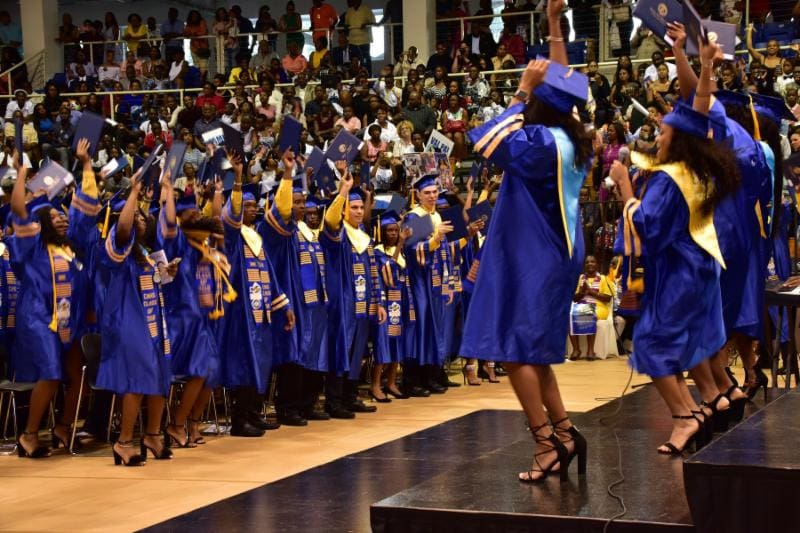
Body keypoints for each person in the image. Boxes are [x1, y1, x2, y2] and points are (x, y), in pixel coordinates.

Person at [461, 0, 589, 482]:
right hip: (552, 252)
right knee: (533, 350)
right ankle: (564, 431)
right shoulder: (570, 139)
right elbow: (564, 82)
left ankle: (544, 443)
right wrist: (554, 22)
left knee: (514, 350)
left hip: (536, 256)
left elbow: (485, 140)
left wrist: (519, 90)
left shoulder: (537, 144)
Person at [11, 139, 99, 458]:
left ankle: (64, 426)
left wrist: (86, 164)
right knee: (51, 373)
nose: (62, 219)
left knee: (79, 376)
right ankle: (29, 434)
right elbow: (20, 211)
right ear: (42, 223)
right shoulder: (32, 248)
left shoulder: (71, 248)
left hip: (69, 322)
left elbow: (86, 209)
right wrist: (22, 175)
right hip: (39, 319)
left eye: (64, 215)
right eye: (55, 216)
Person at [97, 173, 173, 466]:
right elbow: (124, 226)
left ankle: (153, 434)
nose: (142, 219)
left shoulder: (146, 252)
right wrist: (135, 192)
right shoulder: (120, 248)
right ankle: (124, 441)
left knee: (161, 376)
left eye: (144, 215)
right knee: (137, 380)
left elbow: (161, 280)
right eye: (138, 215)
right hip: (129, 322)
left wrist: (170, 272)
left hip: (155, 321)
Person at [220, 155, 295, 437]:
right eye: (246, 206)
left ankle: (253, 412)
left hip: (262, 312)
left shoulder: (258, 237)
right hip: (241, 313)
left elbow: (270, 274)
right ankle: (240, 420)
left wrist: (283, 304)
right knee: (244, 363)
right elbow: (231, 216)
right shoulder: (233, 238)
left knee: (261, 362)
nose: (250, 210)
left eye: (254, 206)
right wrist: (238, 180)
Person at [262, 153, 332, 425]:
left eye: (304, 202)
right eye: (298, 202)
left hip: (311, 303)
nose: (302, 207)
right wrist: (289, 174)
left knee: (309, 352)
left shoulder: (303, 232)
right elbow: (281, 210)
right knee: (291, 354)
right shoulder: (277, 231)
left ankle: (304, 403)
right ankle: (288, 407)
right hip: (288, 301)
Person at [320, 164, 387, 418]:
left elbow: (373, 272)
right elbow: (330, 220)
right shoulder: (339, 234)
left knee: (358, 349)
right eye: (354, 207)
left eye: (361, 208)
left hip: (363, 303)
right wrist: (343, 192)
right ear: (345, 210)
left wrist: (378, 302)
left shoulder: (364, 236)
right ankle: (334, 401)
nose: (359, 211)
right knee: (342, 347)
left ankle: (350, 395)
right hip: (343, 302)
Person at [372, 212, 414, 401]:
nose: (393, 233)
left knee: (398, 342)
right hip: (386, 301)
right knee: (383, 343)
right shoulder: (378, 251)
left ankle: (391, 383)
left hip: (400, 300)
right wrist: (400, 244)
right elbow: (389, 270)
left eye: (396, 230)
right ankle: (375, 385)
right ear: (382, 231)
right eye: (389, 230)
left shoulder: (402, 251)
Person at [569, 256, 612, 361]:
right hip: (581, 306)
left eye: (592, 261)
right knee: (569, 316)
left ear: (597, 264)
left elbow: (607, 298)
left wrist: (591, 292)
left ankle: (590, 350)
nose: (590, 264)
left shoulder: (604, 278)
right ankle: (576, 350)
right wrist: (582, 292)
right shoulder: (581, 278)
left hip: (599, 307)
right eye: (587, 262)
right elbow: (575, 298)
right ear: (584, 266)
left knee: (589, 314)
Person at [343, 0, 376, 74]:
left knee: (366, 61)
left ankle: (368, 77)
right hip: (352, 41)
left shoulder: (366, 10)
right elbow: (346, 23)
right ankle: (355, 78)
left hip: (364, 40)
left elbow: (373, 22)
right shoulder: (349, 11)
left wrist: (366, 24)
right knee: (354, 62)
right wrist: (345, 26)